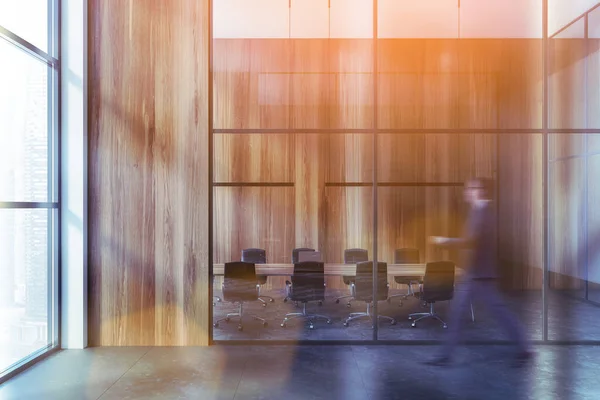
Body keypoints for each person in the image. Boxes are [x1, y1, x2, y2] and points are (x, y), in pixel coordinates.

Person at [425, 177, 533, 367]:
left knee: (487, 313)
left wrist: (444, 241)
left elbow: (472, 241)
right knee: (465, 313)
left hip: (479, 275)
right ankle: (445, 355)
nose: (467, 192)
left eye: (471, 188)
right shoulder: (478, 211)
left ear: (481, 191)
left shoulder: (483, 213)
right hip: (475, 274)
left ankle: (445, 356)